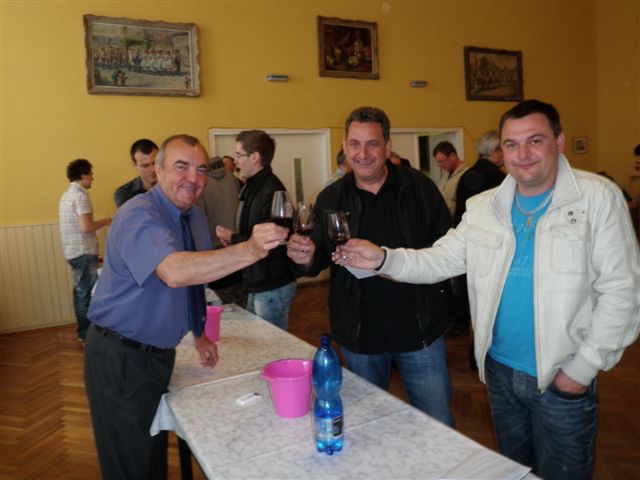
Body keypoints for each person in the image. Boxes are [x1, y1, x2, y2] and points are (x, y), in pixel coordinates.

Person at [337, 100, 640, 479]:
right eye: (511, 144)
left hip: (560, 374)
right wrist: (383, 258)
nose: (522, 154)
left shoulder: (596, 197)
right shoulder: (485, 207)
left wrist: (582, 369)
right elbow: (440, 259)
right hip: (499, 371)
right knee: (515, 470)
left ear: (559, 142)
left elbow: (623, 293)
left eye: (534, 141)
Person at [84, 134, 288, 479]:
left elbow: (195, 282)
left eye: (201, 169)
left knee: (152, 456)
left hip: (159, 355)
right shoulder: (138, 214)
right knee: (129, 466)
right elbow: (174, 272)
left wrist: (199, 332)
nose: (193, 178)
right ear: (158, 170)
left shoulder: (192, 216)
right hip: (120, 357)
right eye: (181, 167)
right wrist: (250, 249)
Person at [287, 107, 455, 426]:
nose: (362, 154)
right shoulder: (331, 198)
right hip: (361, 334)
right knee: (367, 426)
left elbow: (446, 251)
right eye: (354, 144)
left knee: (438, 423)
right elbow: (317, 258)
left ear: (388, 147)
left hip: (420, 330)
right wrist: (304, 257)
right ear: (344, 147)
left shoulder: (420, 189)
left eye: (372, 144)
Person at [215, 130, 296, 330]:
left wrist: (233, 237)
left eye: (239, 155)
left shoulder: (271, 189)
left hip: (271, 283)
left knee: (272, 344)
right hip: (257, 280)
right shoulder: (253, 186)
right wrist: (233, 239)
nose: (235, 161)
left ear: (255, 157)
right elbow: (253, 230)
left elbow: (271, 241)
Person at [449, 130, 506, 340]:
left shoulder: (468, 175)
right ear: (494, 151)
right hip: (490, 249)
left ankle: (473, 344)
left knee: (472, 298)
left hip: (468, 243)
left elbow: (460, 215)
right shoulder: (499, 179)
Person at [58, 159, 111, 343]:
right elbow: (86, 227)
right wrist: (107, 221)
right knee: (86, 294)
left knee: (80, 293)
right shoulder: (80, 197)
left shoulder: (66, 195)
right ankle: (87, 335)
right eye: (90, 174)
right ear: (82, 175)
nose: (92, 178)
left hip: (72, 252)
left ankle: (83, 332)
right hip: (83, 252)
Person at [197, 155, 246, 306]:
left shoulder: (202, 183)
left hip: (214, 252)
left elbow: (198, 220)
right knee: (241, 303)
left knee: (222, 307)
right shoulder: (232, 179)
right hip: (236, 246)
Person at [113, 138, 159, 207]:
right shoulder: (124, 193)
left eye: (155, 163)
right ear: (135, 165)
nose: (153, 169)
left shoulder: (172, 184)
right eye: (145, 166)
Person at [433, 141, 469, 216]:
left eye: (441, 161)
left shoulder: (466, 174)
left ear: (452, 156)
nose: (439, 165)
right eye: (438, 162)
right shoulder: (445, 175)